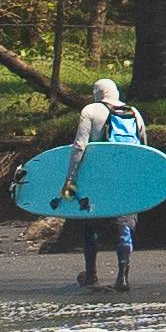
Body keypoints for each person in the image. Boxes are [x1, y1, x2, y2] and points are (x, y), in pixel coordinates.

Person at [67, 78, 130, 290]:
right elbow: (144, 152)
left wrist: (71, 178)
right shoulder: (134, 113)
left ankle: (92, 275)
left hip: (96, 177)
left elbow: (79, 147)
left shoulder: (90, 110)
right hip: (123, 178)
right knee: (123, 223)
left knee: (90, 222)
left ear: (97, 93)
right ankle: (123, 276)